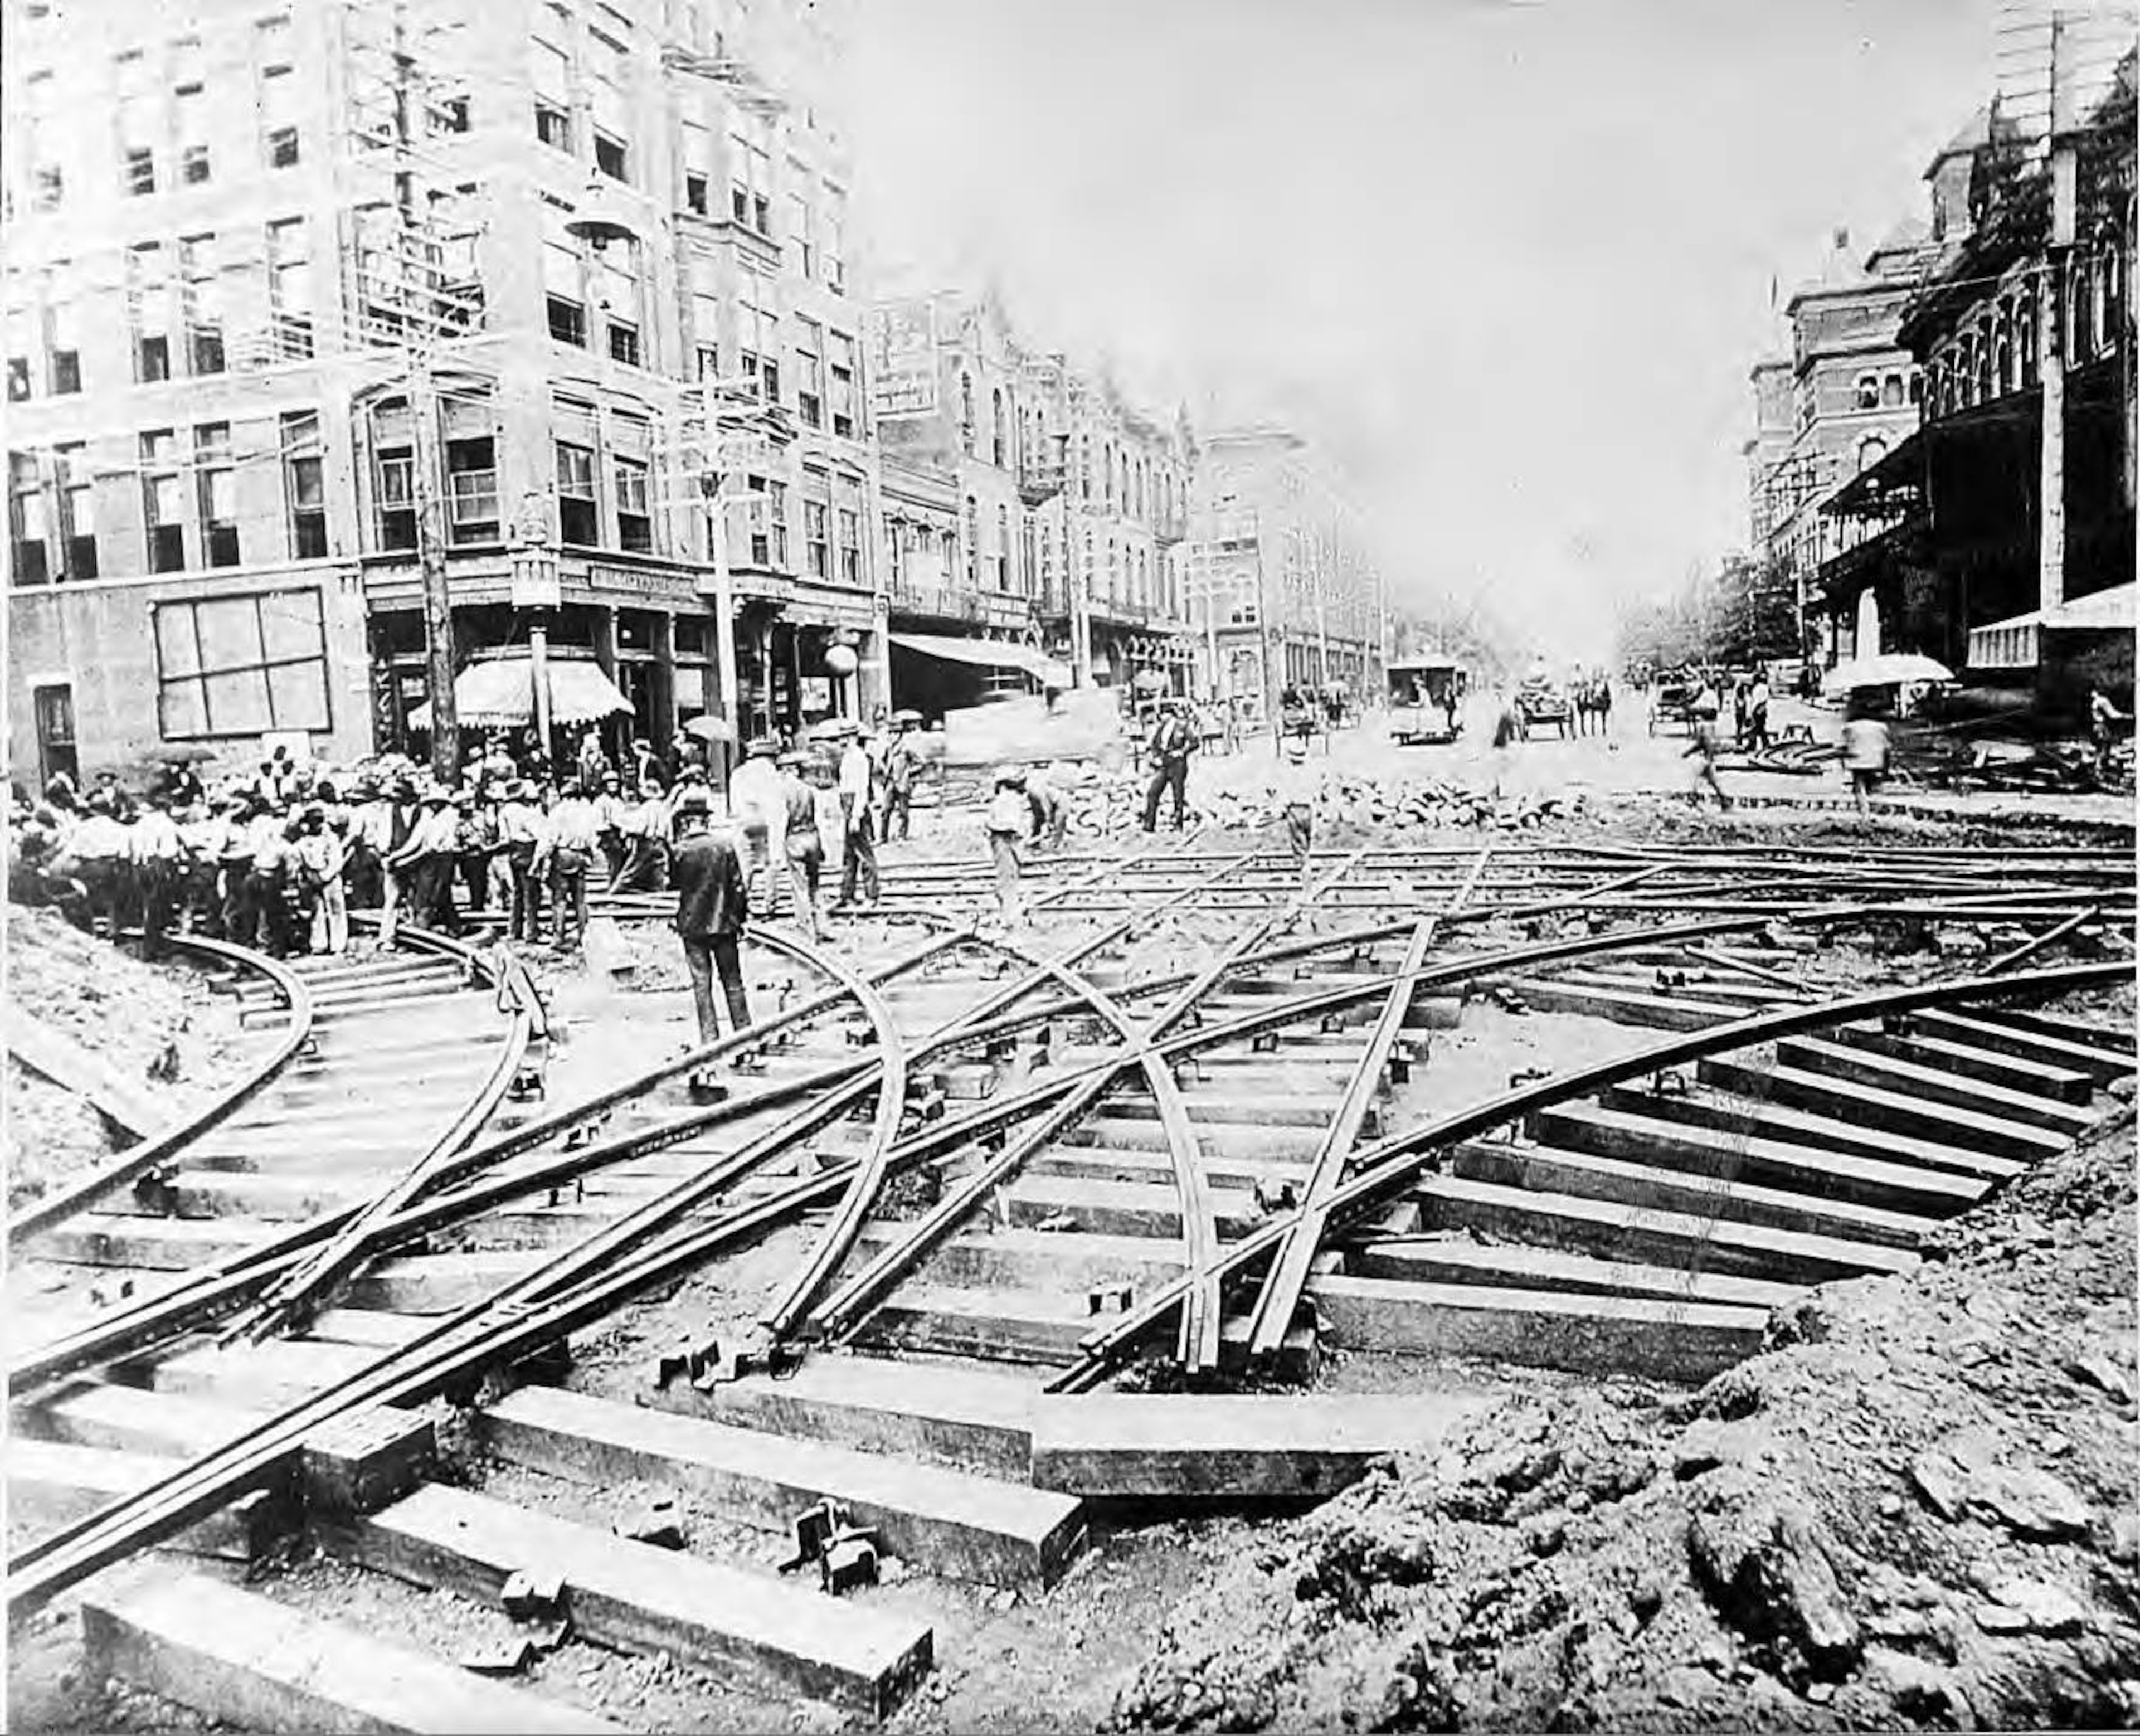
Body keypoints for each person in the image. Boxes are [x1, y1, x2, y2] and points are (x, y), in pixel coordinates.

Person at [670, 786, 752, 1048]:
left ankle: (710, 1041)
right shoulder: (725, 847)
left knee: (702, 985)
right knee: (733, 982)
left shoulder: (680, 851)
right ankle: (744, 1039)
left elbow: (672, 886)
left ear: (685, 822)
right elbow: (739, 888)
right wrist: (740, 919)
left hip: (693, 928)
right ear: (707, 820)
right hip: (725, 925)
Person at [536, 777, 600, 950]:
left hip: (563, 855)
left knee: (560, 898)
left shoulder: (559, 812)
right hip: (580, 855)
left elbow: (550, 839)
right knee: (580, 900)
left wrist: (540, 861)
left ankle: (558, 937)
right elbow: (594, 839)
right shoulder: (588, 812)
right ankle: (584, 935)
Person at [727, 740, 782, 917]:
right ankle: (770, 904)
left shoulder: (739, 773)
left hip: (744, 819)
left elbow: (733, 804)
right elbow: (776, 802)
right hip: (764, 819)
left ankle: (742, 903)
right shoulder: (771, 773)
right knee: (769, 863)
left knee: (745, 865)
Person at [984, 764, 1044, 927]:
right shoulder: (1013, 800)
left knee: (1007, 880)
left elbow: (1007, 825)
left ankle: (1009, 916)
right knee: (1009, 879)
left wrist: (991, 826)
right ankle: (1009, 915)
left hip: (1005, 841)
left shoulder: (1005, 800)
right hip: (1009, 842)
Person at [127, 793, 186, 960]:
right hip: (158, 866)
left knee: (148, 904)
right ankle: (153, 947)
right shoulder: (166, 824)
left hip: (141, 866)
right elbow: (170, 851)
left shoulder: (141, 823)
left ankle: (152, 944)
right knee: (158, 906)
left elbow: (133, 847)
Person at [777, 751, 824, 943]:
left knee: (799, 887)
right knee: (815, 886)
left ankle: (806, 929)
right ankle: (822, 926)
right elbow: (817, 816)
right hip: (813, 837)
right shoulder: (809, 789)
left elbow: (782, 819)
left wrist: (779, 845)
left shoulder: (783, 791)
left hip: (795, 838)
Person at [833, 727, 880, 911]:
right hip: (847, 805)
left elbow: (861, 789)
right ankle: (847, 894)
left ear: (854, 738)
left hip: (855, 808)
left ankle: (871, 895)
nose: (842, 742)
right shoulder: (846, 757)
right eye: (840, 738)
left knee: (864, 854)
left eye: (846, 738)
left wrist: (856, 815)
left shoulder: (859, 758)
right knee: (849, 854)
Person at [496, 779, 546, 942]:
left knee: (517, 894)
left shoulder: (504, 812)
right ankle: (531, 931)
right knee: (531, 894)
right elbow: (539, 835)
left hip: (514, 852)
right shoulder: (526, 813)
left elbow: (504, 838)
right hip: (527, 850)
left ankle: (514, 930)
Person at [1141, 699, 1197, 832]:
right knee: (1153, 793)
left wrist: (1182, 752)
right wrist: (1156, 757)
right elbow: (1154, 745)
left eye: (1164, 714)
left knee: (1178, 795)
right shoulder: (1161, 729)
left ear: (1171, 714)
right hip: (1164, 764)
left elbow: (1195, 742)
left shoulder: (1183, 726)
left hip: (1178, 765)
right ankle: (1149, 825)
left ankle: (1178, 825)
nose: (1162, 717)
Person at [1275, 732, 1316, 884]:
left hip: (1295, 809)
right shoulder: (1310, 772)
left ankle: (1305, 873)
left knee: (1298, 843)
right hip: (1308, 809)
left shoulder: (1288, 774)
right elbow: (1316, 791)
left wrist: (1282, 809)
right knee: (1307, 839)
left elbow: (1285, 795)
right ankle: (1307, 866)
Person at [1684, 680, 1732, 811]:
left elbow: (1705, 743)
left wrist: (1706, 756)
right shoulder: (1710, 724)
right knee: (1713, 782)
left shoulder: (1706, 726)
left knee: (1694, 779)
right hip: (1707, 758)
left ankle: (1692, 800)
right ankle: (1724, 801)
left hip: (1705, 758)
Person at [1841, 698, 1891, 819]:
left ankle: (1865, 813)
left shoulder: (1849, 727)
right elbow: (1887, 748)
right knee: (1872, 784)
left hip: (1857, 760)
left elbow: (1844, 747)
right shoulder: (1881, 727)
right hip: (1875, 760)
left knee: (1859, 786)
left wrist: (1843, 764)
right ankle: (1875, 812)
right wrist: (1886, 767)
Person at [881, 723, 917, 843]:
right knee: (885, 810)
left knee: (903, 811)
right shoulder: (889, 749)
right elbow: (882, 761)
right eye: (890, 733)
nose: (891, 736)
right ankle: (883, 837)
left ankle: (902, 835)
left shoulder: (906, 749)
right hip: (890, 782)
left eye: (894, 733)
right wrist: (885, 770)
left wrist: (908, 773)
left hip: (903, 783)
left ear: (899, 735)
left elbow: (920, 763)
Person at [1489, 687, 1525, 800]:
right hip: (1500, 744)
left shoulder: (1500, 712)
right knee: (1499, 769)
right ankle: (1498, 791)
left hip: (1499, 745)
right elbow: (1515, 724)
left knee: (1496, 769)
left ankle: (1497, 791)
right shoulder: (1504, 712)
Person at [2088, 685, 2127, 780]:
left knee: (2099, 750)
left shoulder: (2095, 702)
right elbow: (2112, 714)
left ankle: (2098, 772)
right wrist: (2125, 716)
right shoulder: (2102, 701)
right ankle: (2101, 773)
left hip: (2096, 727)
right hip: (2102, 727)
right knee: (2104, 749)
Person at [1744, 673, 1772, 753]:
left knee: (1756, 728)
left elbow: (1755, 701)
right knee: (1761, 728)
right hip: (1763, 709)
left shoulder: (1757, 688)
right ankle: (1765, 743)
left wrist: (1752, 712)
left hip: (1757, 709)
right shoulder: (1765, 687)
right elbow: (1766, 699)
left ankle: (1753, 744)